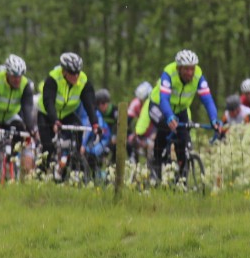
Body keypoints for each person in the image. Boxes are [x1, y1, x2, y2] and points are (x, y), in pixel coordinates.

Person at [134, 49, 224, 183]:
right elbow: (164, 99)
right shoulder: (169, 73)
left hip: (180, 109)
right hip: (158, 105)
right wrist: (169, 116)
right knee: (165, 127)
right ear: (179, 68)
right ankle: (156, 162)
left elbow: (207, 99)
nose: (190, 72)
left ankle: (181, 180)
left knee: (183, 137)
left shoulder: (198, 76)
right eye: (186, 69)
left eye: (192, 69)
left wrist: (214, 119)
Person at [39, 52, 102, 168]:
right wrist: (54, 121)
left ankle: (73, 164)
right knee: (48, 148)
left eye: (78, 72)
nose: (76, 76)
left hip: (67, 114)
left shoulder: (83, 81)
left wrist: (95, 124)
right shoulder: (53, 78)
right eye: (72, 73)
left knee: (78, 130)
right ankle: (41, 171)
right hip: (47, 114)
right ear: (64, 71)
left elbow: (90, 105)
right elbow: (49, 102)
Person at [0, 55, 37, 175]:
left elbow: (27, 107)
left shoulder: (25, 85)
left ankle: (11, 159)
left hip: (10, 115)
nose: (17, 80)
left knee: (21, 131)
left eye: (20, 76)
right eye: (14, 76)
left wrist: (30, 127)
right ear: (7, 74)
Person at [127, 81, 155, 163]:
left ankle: (151, 165)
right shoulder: (136, 103)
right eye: (140, 100)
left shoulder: (154, 104)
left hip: (152, 131)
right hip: (140, 131)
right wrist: (130, 134)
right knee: (129, 141)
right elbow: (128, 120)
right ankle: (134, 162)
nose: (142, 102)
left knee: (152, 145)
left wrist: (153, 135)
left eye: (144, 99)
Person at [85, 88, 115, 166]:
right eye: (99, 103)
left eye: (104, 103)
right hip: (98, 138)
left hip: (107, 138)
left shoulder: (114, 111)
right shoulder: (96, 113)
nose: (102, 105)